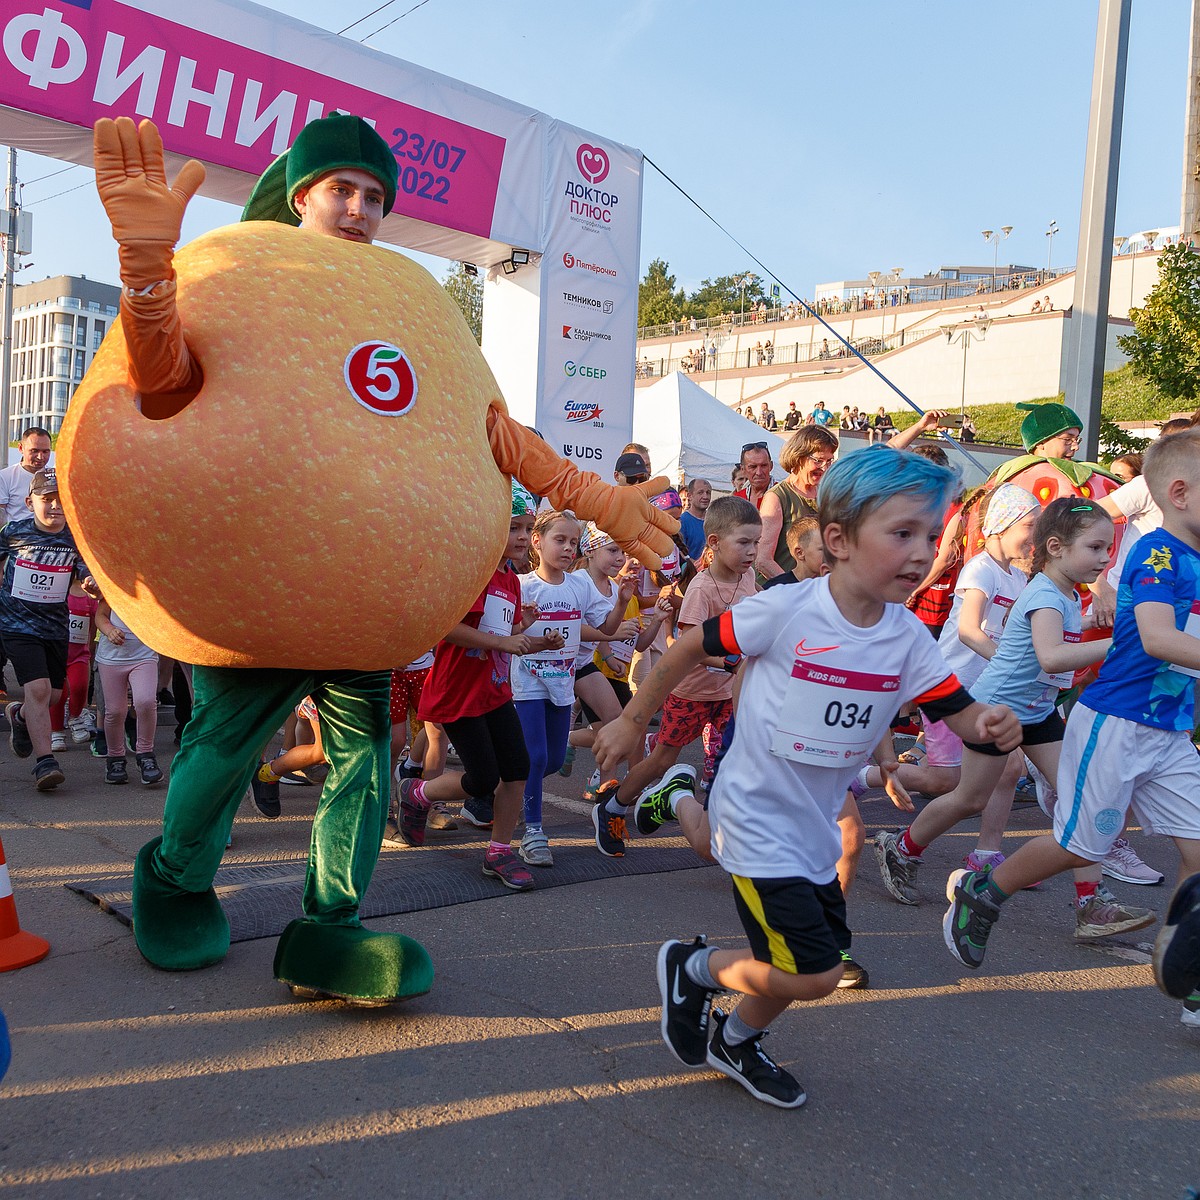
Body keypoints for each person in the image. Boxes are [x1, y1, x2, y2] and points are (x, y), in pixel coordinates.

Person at [93, 114, 674, 1000]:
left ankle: (331, 926)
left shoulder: (410, 299)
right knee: (215, 755)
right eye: (342, 190)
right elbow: (163, 381)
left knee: (364, 769)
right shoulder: (246, 269)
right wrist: (144, 275)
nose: (361, 208)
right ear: (300, 194)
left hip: (367, 606)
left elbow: (497, 434)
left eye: (374, 196)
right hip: (254, 592)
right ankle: (173, 879)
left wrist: (600, 500)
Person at [594, 446, 1022, 1107]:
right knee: (813, 971)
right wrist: (631, 722)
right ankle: (695, 968)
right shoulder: (788, 610)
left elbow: (958, 717)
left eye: (932, 536)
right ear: (838, 540)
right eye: (902, 533)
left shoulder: (906, 637)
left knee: (809, 961)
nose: (921, 553)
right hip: (756, 812)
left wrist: (992, 725)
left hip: (815, 824)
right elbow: (687, 646)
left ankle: (733, 1038)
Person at [943, 440, 1200, 1032]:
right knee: (1083, 845)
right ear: (1180, 495)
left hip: (1170, 732)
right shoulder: (1158, 556)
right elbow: (1159, 639)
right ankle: (985, 892)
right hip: (1117, 725)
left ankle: (1190, 967)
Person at [394, 483, 558, 890]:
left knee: (517, 768)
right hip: (457, 693)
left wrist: (534, 636)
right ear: (490, 530)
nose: (522, 538)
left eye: (526, 529)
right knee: (482, 778)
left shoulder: (511, 580)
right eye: (513, 529)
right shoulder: (473, 572)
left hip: (494, 691)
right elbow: (449, 629)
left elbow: (506, 638)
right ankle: (417, 792)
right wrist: (506, 640)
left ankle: (499, 852)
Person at [875, 484, 1039, 891]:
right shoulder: (980, 569)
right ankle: (862, 781)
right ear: (1001, 526)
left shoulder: (1019, 577)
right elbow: (969, 631)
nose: (1034, 535)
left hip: (989, 687)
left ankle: (985, 854)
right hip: (951, 686)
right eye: (1030, 525)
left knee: (1010, 769)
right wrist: (1009, 662)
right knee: (946, 781)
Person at [590, 496, 760, 858]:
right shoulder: (700, 588)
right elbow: (691, 647)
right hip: (692, 693)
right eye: (744, 542)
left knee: (731, 758)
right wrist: (733, 661)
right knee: (662, 760)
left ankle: (726, 826)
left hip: (729, 693)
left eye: (757, 542)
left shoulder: (748, 579)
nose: (752, 551)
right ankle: (613, 807)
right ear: (713, 543)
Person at [510, 510, 630, 866]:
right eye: (558, 540)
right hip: (527, 683)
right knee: (534, 757)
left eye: (573, 541)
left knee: (547, 760)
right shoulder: (523, 585)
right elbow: (506, 634)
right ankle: (532, 831)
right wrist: (530, 632)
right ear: (538, 542)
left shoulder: (580, 585)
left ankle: (508, 791)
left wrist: (622, 600)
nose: (567, 547)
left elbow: (606, 629)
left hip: (563, 684)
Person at [2, 467, 96, 791]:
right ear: (30, 502)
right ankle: (45, 764)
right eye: (47, 499)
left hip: (55, 626)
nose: (55, 506)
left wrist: (89, 581)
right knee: (40, 690)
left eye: (61, 500)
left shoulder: (73, 537)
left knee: (55, 695)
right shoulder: (14, 531)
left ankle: (20, 715)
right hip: (16, 623)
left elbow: (85, 570)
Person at [755, 426, 837, 584]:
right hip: (783, 595)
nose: (824, 467)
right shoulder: (777, 497)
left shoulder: (826, 494)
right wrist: (799, 589)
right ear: (799, 457)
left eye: (829, 461)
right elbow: (763, 560)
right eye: (818, 460)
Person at [95, 597, 163, 786]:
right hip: (111, 658)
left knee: (146, 701)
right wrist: (109, 631)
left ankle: (146, 755)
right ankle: (115, 759)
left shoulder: (152, 585)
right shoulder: (114, 581)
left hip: (144, 655)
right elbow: (100, 615)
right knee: (115, 711)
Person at [0, 427, 52, 525]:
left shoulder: (55, 477)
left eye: (45, 452)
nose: (40, 457)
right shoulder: (5, 477)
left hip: (50, 537)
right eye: (34, 451)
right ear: (20, 448)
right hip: (17, 537)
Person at [678, 478, 711, 565]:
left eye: (708, 493)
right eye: (700, 492)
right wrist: (696, 566)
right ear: (690, 496)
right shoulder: (682, 521)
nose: (705, 496)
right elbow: (680, 552)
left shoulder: (714, 519)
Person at [733, 442, 774, 511]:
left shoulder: (784, 496)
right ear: (743, 469)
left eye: (764, 466)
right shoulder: (737, 499)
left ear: (771, 466)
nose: (759, 472)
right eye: (753, 467)